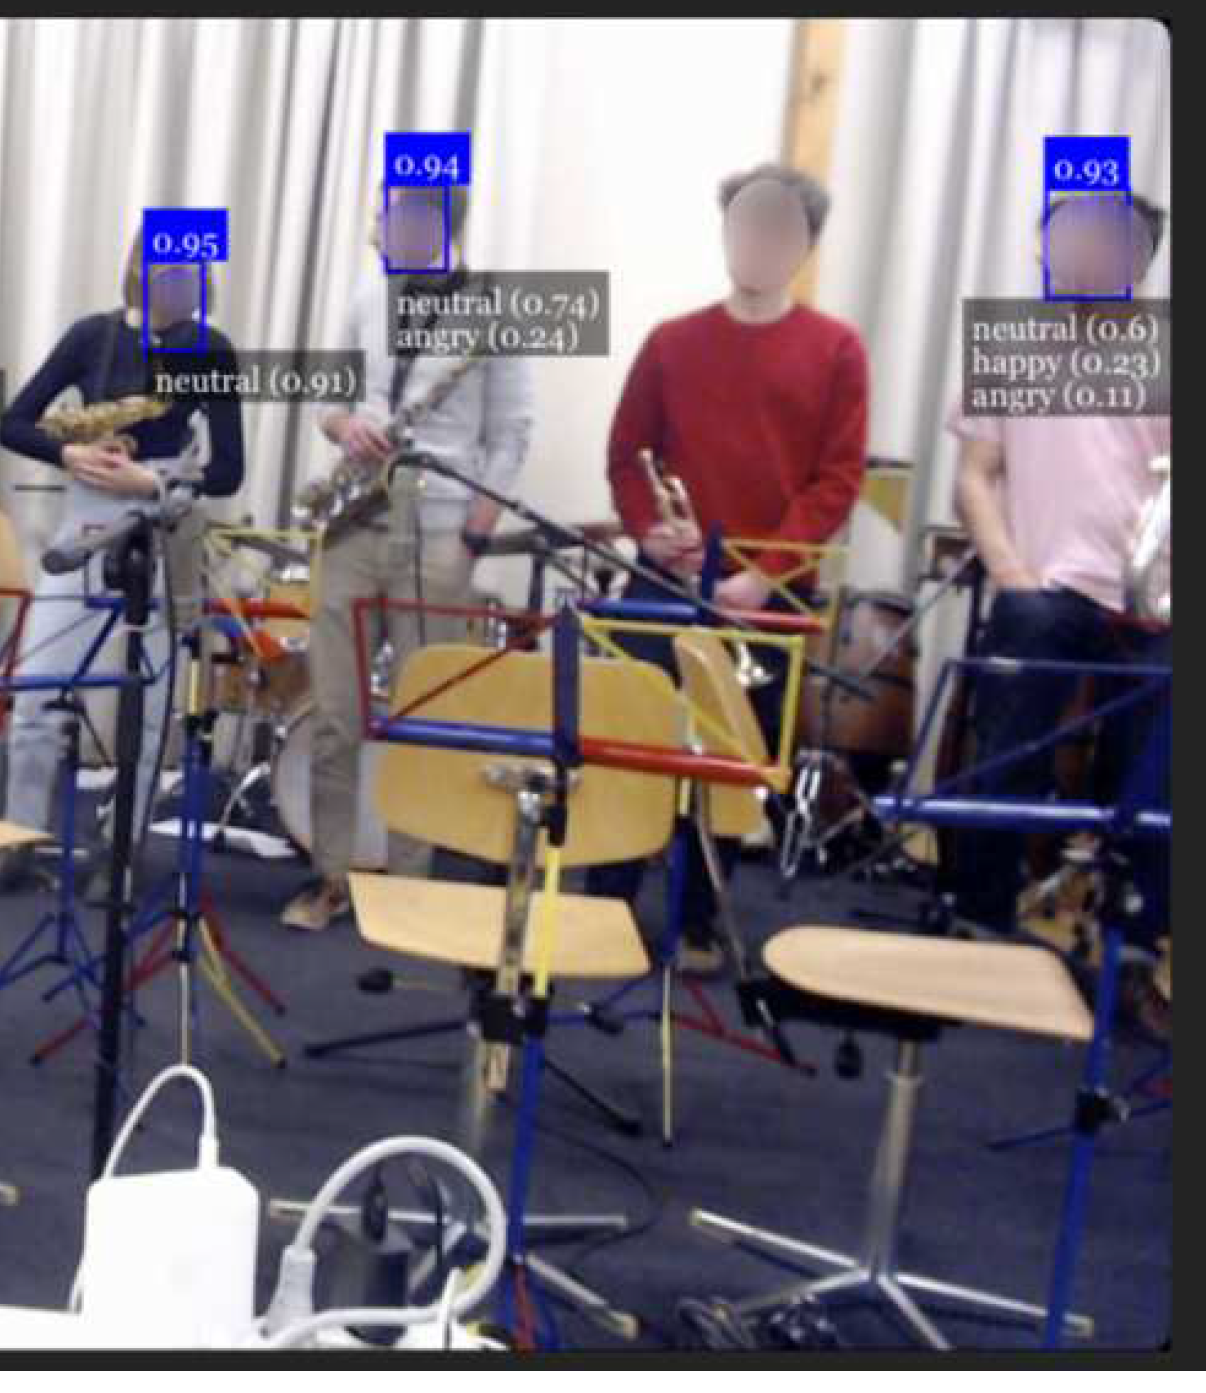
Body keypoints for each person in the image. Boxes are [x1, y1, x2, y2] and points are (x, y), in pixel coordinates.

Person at [594, 162, 871, 975]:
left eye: (779, 228)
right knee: (629, 737)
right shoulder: (671, 342)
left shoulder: (837, 349)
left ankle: (697, 922)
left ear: (805, 246)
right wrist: (650, 533)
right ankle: (604, 906)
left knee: (726, 761)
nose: (759, 240)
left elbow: (836, 481)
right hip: (666, 581)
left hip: (766, 592)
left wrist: (763, 576)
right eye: (746, 223)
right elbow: (625, 455)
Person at [0, 228, 246, 899]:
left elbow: (229, 470)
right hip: (84, 519)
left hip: (162, 521)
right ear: (138, 267)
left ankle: (122, 852)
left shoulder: (212, 349)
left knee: (150, 707)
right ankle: (15, 844)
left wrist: (154, 483)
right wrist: (69, 454)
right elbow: (14, 423)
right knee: (34, 694)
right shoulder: (91, 336)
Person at [947, 191, 1171, 1032]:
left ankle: (1136, 946)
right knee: (1011, 727)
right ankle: (980, 914)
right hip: (1044, 585)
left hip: (1152, 599)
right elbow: (976, 475)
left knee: (1157, 759)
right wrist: (1010, 570)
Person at [281, 186, 533, 932]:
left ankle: (409, 889)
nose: (388, 232)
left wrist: (473, 538)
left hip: (438, 527)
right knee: (335, 713)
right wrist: (345, 427)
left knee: (423, 718)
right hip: (353, 519)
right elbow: (327, 401)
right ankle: (330, 877)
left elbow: (511, 436)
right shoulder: (367, 295)